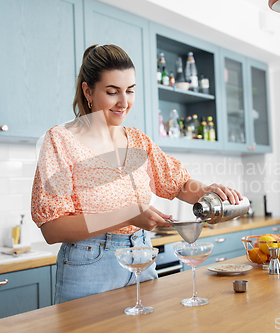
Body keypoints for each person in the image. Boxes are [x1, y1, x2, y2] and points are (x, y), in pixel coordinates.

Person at [31, 44, 244, 304]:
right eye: (112, 92)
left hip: (143, 256)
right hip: (90, 266)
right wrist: (128, 215)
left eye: (130, 91)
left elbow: (178, 184)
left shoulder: (137, 141)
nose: (124, 102)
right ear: (88, 90)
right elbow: (52, 229)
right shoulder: (61, 140)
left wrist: (208, 192)